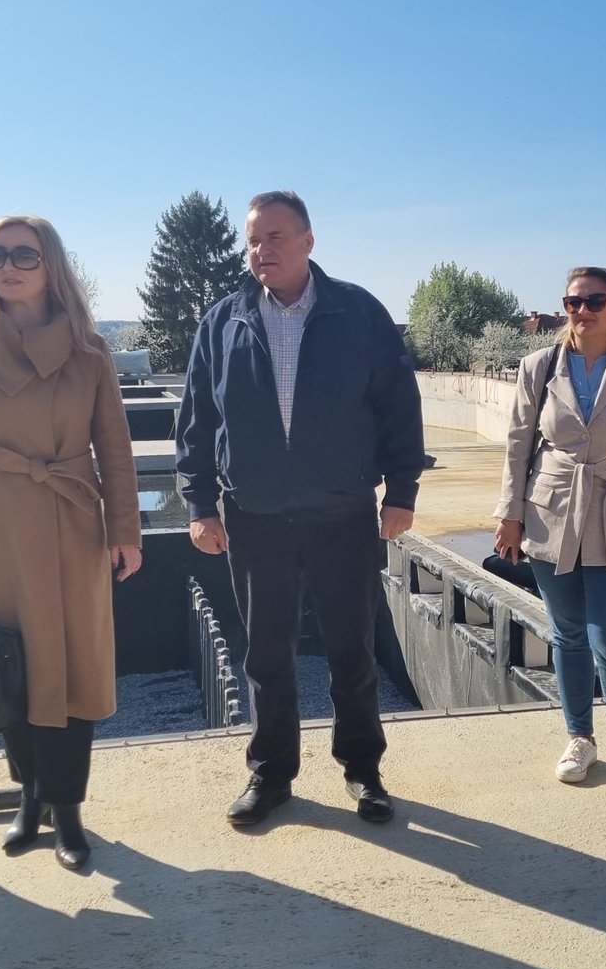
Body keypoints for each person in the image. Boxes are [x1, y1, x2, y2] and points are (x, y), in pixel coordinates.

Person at [176, 190, 425, 826]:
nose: (262, 250)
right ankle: (271, 774)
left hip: (343, 515)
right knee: (265, 655)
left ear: (309, 241)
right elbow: (197, 421)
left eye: (276, 237)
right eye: (254, 240)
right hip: (256, 518)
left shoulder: (358, 313)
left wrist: (401, 492)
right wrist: (200, 504)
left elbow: (399, 407)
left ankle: (364, 770)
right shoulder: (223, 322)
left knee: (353, 651)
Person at [0, 215, 141, 872]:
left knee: (71, 672)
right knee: (10, 670)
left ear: (51, 265)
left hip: (72, 529)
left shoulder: (90, 352)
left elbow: (115, 450)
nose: (9, 266)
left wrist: (125, 531)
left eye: (25, 255)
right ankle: (28, 798)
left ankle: (67, 810)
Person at [493, 267, 606, 790]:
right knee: (568, 636)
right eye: (573, 301)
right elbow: (518, 445)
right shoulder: (539, 366)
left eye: (595, 300)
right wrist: (509, 515)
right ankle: (580, 738)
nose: (583, 310)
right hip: (550, 511)